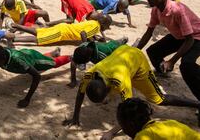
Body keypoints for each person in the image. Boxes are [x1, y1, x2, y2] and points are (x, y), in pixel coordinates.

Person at [63, 45, 200, 138]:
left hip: (136, 60)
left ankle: (197, 104)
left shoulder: (119, 81)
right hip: (122, 56)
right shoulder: (89, 74)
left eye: (104, 98)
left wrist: (111, 132)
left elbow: (129, 111)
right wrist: (75, 116)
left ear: (108, 89)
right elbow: (80, 93)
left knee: (159, 99)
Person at [137, 0, 200, 101]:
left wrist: (172, 61)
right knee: (153, 51)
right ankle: (163, 71)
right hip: (180, 35)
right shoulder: (156, 10)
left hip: (196, 37)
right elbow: (149, 32)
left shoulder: (177, 10)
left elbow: (189, 40)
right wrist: (134, 50)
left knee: (186, 65)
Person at [0, 45, 71, 108]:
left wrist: (27, 99)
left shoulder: (18, 60)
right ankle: (54, 53)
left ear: (4, 58)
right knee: (43, 60)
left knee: (53, 63)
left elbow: (37, 76)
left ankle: (71, 57)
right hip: (26, 55)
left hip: (34, 59)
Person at [116, 98, 200, 140]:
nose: (124, 131)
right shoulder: (168, 123)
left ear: (131, 125)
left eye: (123, 127)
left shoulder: (143, 136)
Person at [11, 15, 112, 46]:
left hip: (63, 27)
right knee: (38, 39)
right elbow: (83, 34)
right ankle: (14, 39)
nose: (106, 28)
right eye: (107, 26)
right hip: (62, 32)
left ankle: (17, 26)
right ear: (103, 24)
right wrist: (85, 46)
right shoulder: (96, 28)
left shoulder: (93, 22)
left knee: (40, 32)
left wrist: (97, 39)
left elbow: (87, 33)